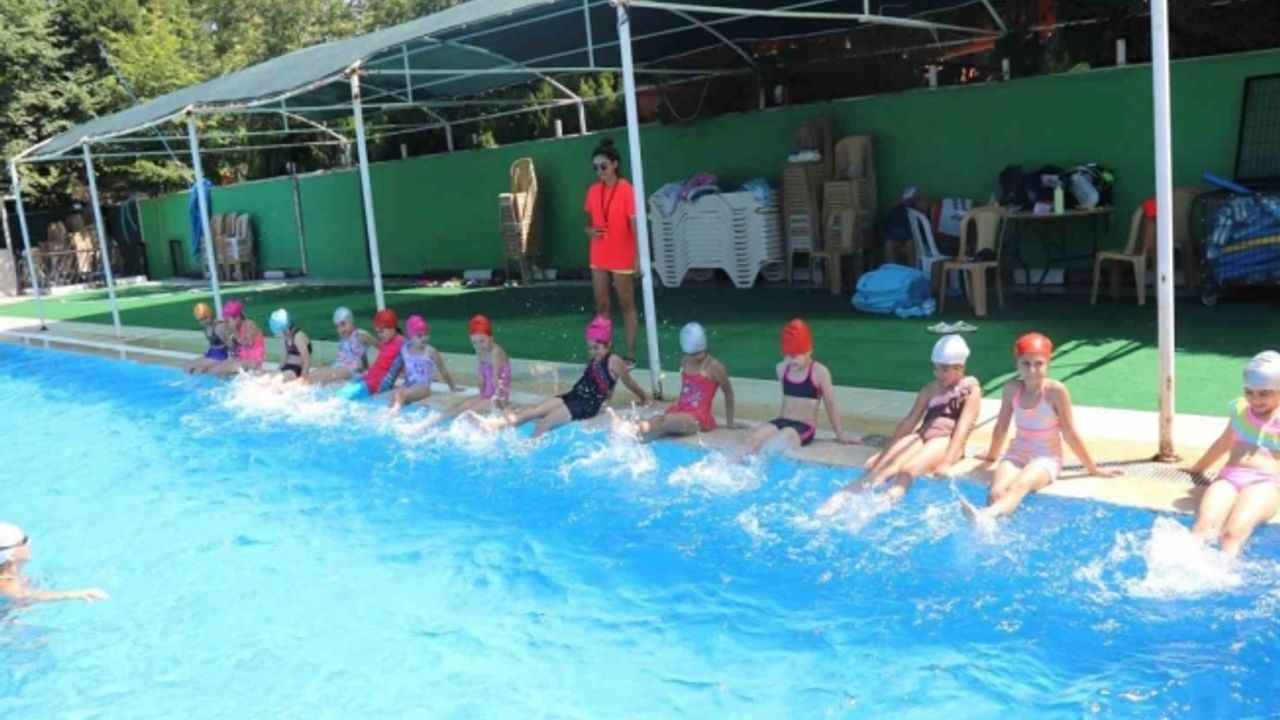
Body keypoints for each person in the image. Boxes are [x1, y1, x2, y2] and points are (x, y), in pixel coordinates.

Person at [962, 332, 1119, 521]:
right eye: (1025, 363)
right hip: (1017, 453)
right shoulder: (1011, 389)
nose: (1032, 370)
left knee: (1018, 486)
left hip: (1046, 457)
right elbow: (1001, 426)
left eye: (1039, 364)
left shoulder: (1055, 391)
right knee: (996, 491)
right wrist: (992, 455)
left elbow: (1069, 433)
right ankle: (989, 526)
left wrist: (1092, 469)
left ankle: (984, 516)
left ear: (1048, 364)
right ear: (1017, 364)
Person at [819, 334, 982, 516]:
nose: (938, 374)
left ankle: (879, 506)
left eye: (944, 370)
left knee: (908, 470)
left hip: (946, 439)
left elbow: (962, 427)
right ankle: (841, 497)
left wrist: (947, 461)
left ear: (960, 367)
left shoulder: (970, 390)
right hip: (922, 435)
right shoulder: (930, 389)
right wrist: (884, 452)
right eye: (936, 368)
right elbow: (910, 421)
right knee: (883, 466)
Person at [485, 316, 650, 438]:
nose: (592, 352)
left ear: (609, 345)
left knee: (545, 423)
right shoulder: (596, 359)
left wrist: (645, 398)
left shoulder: (614, 360)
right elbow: (602, 385)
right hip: (573, 396)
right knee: (534, 410)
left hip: (585, 405)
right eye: (589, 348)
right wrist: (607, 394)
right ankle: (495, 425)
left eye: (596, 348)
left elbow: (629, 382)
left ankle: (526, 452)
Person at [1185, 351, 1280, 557]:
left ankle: (1226, 571)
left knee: (1232, 534)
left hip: (1264, 483)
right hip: (1228, 478)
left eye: (1264, 393)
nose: (1255, 399)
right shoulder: (1241, 410)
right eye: (1249, 392)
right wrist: (1197, 468)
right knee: (1202, 528)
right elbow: (1223, 443)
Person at [727, 319, 861, 462]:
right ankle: (724, 466)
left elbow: (830, 405)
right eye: (786, 356)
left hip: (803, 427)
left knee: (775, 443)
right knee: (752, 440)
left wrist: (840, 435)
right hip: (782, 421)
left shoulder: (819, 372)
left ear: (808, 351)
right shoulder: (781, 368)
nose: (790, 361)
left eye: (794, 357)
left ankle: (757, 470)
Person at [585, 138, 640, 365]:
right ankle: (603, 354)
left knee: (626, 305)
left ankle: (630, 356)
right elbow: (590, 223)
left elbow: (636, 226)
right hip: (599, 253)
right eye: (595, 168)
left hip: (622, 254)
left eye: (603, 166)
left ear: (615, 164)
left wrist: (638, 257)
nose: (600, 171)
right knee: (602, 306)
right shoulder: (593, 191)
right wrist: (590, 230)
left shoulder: (627, 190)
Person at [636, 322, 736, 441]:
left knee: (663, 421)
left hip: (697, 418)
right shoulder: (685, 361)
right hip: (681, 409)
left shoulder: (714, 367)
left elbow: (728, 393)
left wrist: (730, 422)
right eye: (693, 354)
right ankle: (631, 433)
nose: (697, 357)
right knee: (656, 423)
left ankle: (630, 429)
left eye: (700, 353)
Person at [424, 314, 512, 425]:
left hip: (498, 395)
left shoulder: (495, 352)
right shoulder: (479, 350)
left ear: (491, 337)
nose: (478, 345)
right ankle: (434, 420)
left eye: (482, 341)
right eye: (474, 342)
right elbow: (481, 376)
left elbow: (496, 379)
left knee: (471, 411)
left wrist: (501, 405)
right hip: (487, 392)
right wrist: (481, 395)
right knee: (462, 406)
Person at [0, 523, 108, 604]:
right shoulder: (7, 585)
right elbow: (28, 596)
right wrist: (77, 594)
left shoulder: (15, 578)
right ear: (10, 554)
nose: (30, 542)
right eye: (24, 540)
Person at [390, 315, 458, 411]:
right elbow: (405, 368)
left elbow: (443, 370)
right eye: (419, 336)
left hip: (423, 387)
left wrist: (452, 387)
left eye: (426, 334)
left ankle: (392, 414)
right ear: (410, 337)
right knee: (395, 396)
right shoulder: (405, 350)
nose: (424, 338)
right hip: (408, 384)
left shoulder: (430, 352)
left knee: (401, 396)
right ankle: (392, 412)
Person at [337, 309, 404, 400]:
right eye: (377, 332)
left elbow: (408, 365)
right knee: (342, 391)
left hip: (376, 386)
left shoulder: (402, 344)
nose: (379, 335)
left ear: (392, 327)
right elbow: (380, 364)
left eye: (381, 331)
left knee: (343, 397)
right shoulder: (386, 341)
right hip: (369, 379)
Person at [303, 307, 376, 386]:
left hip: (352, 370)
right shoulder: (343, 338)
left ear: (351, 321)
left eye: (343, 324)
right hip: (340, 366)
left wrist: (373, 369)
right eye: (337, 326)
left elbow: (383, 348)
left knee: (326, 376)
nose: (340, 329)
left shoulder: (362, 335)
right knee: (316, 373)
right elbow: (351, 355)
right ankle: (297, 385)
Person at [207, 300, 264, 377]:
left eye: (228, 320)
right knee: (217, 367)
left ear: (237, 318)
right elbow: (234, 349)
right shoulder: (238, 328)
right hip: (243, 359)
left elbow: (249, 344)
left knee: (223, 369)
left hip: (253, 362)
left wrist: (235, 332)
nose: (227, 323)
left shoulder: (249, 324)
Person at [183, 301, 231, 375]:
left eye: (205, 318)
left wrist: (229, 360)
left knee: (201, 370)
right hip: (211, 352)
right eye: (201, 320)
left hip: (221, 354)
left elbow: (231, 345)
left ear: (210, 314)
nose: (204, 321)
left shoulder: (219, 326)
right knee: (187, 367)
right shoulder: (206, 327)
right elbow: (212, 344)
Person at [268, 308, 312, 382]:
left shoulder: (298, 336)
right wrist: (277, 370)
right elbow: (284, 358)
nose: (276, 336)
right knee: (267, 378)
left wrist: (303, 378)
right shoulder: (286, 337)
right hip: (287, 368)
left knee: (277, 380)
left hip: (296, 369)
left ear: (285, 329)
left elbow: (306, 359)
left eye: (278, 333)